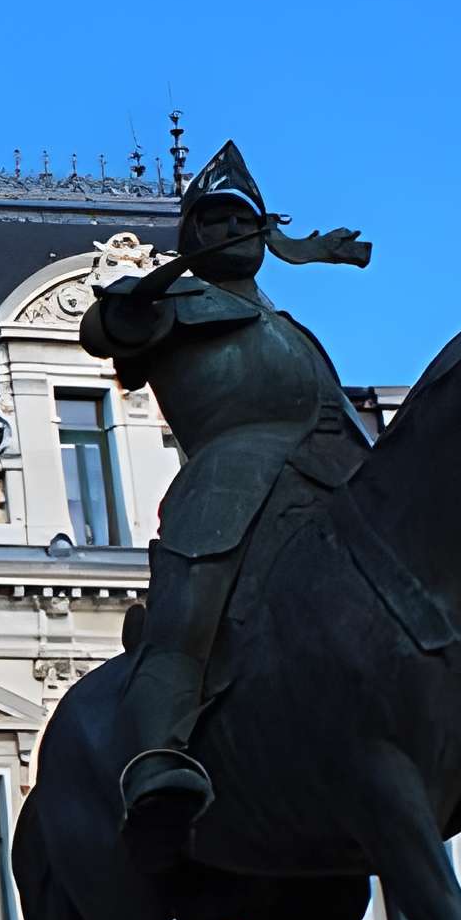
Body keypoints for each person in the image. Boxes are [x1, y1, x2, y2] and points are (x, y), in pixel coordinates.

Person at [78, 143, 372, 864]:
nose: (221, 233)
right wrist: (138, 294)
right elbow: (101, 333)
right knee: (191, 611)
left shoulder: (286, 324)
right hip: (231, 478)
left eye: (236, 219)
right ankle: (155, 754)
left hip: (333, 476)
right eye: (207, 221)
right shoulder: (174, 303)